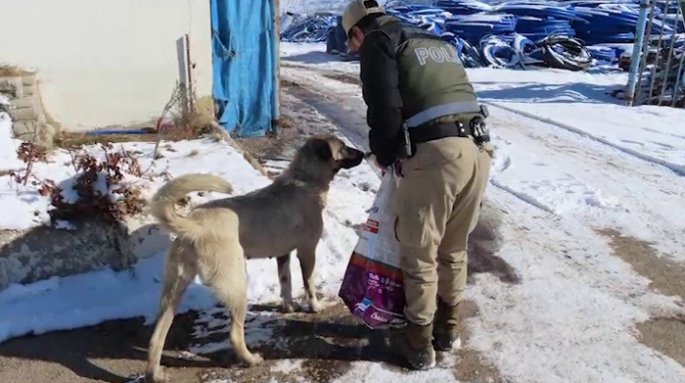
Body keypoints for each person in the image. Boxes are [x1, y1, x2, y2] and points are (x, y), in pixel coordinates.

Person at [341, 0, 493, 370]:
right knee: (453, 248)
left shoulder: (379, 40)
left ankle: (418, 342)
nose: (358, 50)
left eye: (353, 44)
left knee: (419, 255)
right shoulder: (431, 39)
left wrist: (384, 153)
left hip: (436, 157)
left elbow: (384, 106)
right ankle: (448, 328)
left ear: (358, 32)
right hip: (479, 149)